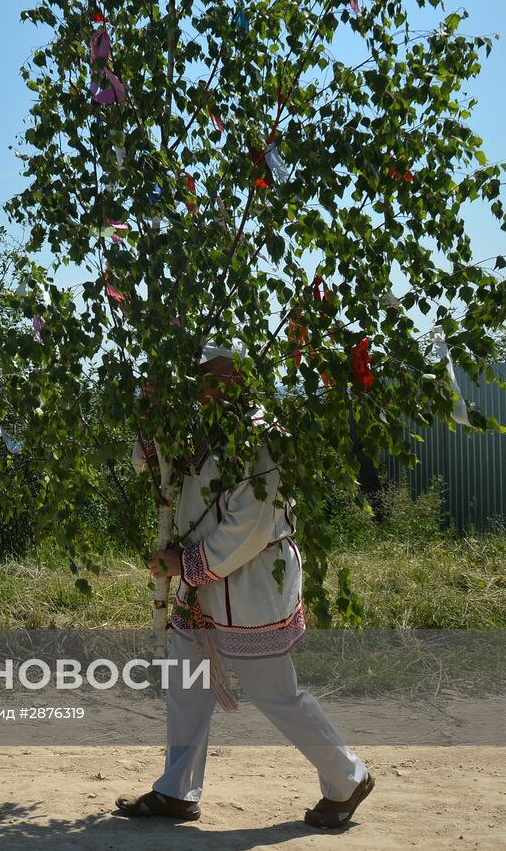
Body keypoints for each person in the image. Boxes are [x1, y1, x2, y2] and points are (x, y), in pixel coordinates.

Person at [115, 344, 374, 829]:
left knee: (276, 693)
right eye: (198, 379)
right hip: (201, 588)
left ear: (239, 378)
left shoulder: (261, 437)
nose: (202, 388)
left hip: (250, 589)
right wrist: (150, 415)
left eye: (209, 377)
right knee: (186, 685)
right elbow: (151, 469)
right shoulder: (200, 431)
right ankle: (177, 790)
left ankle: (347, 778)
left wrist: (184, 562)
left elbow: (251, 526)